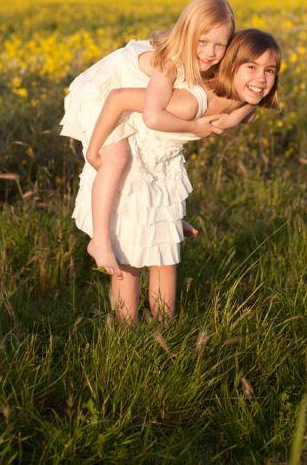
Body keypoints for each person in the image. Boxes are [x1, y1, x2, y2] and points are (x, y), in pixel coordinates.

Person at [74, 28, 282, 323]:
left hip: (163, 168)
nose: (261, 79)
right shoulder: (188, 101)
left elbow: (251, 108)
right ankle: (125, 334)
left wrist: (237, 113)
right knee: (129, 258)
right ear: (229, 67)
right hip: (134, 159)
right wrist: (94, 151)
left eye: (269, 70)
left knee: (166, 255)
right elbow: (118, 98)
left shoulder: (244, 101)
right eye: (251, 67)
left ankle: (165, 329)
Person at [60, 0, 236, 279]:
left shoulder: (205, 62)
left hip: (123, 94)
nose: (210, 52)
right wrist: (195, 128)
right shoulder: (170, 62)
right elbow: (153, 116)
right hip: (100, 91)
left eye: (220, 45)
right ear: (186, 34)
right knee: (117, 157)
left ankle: (162, 218)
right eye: (202, 42)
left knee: (145, 160)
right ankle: (100, 241)